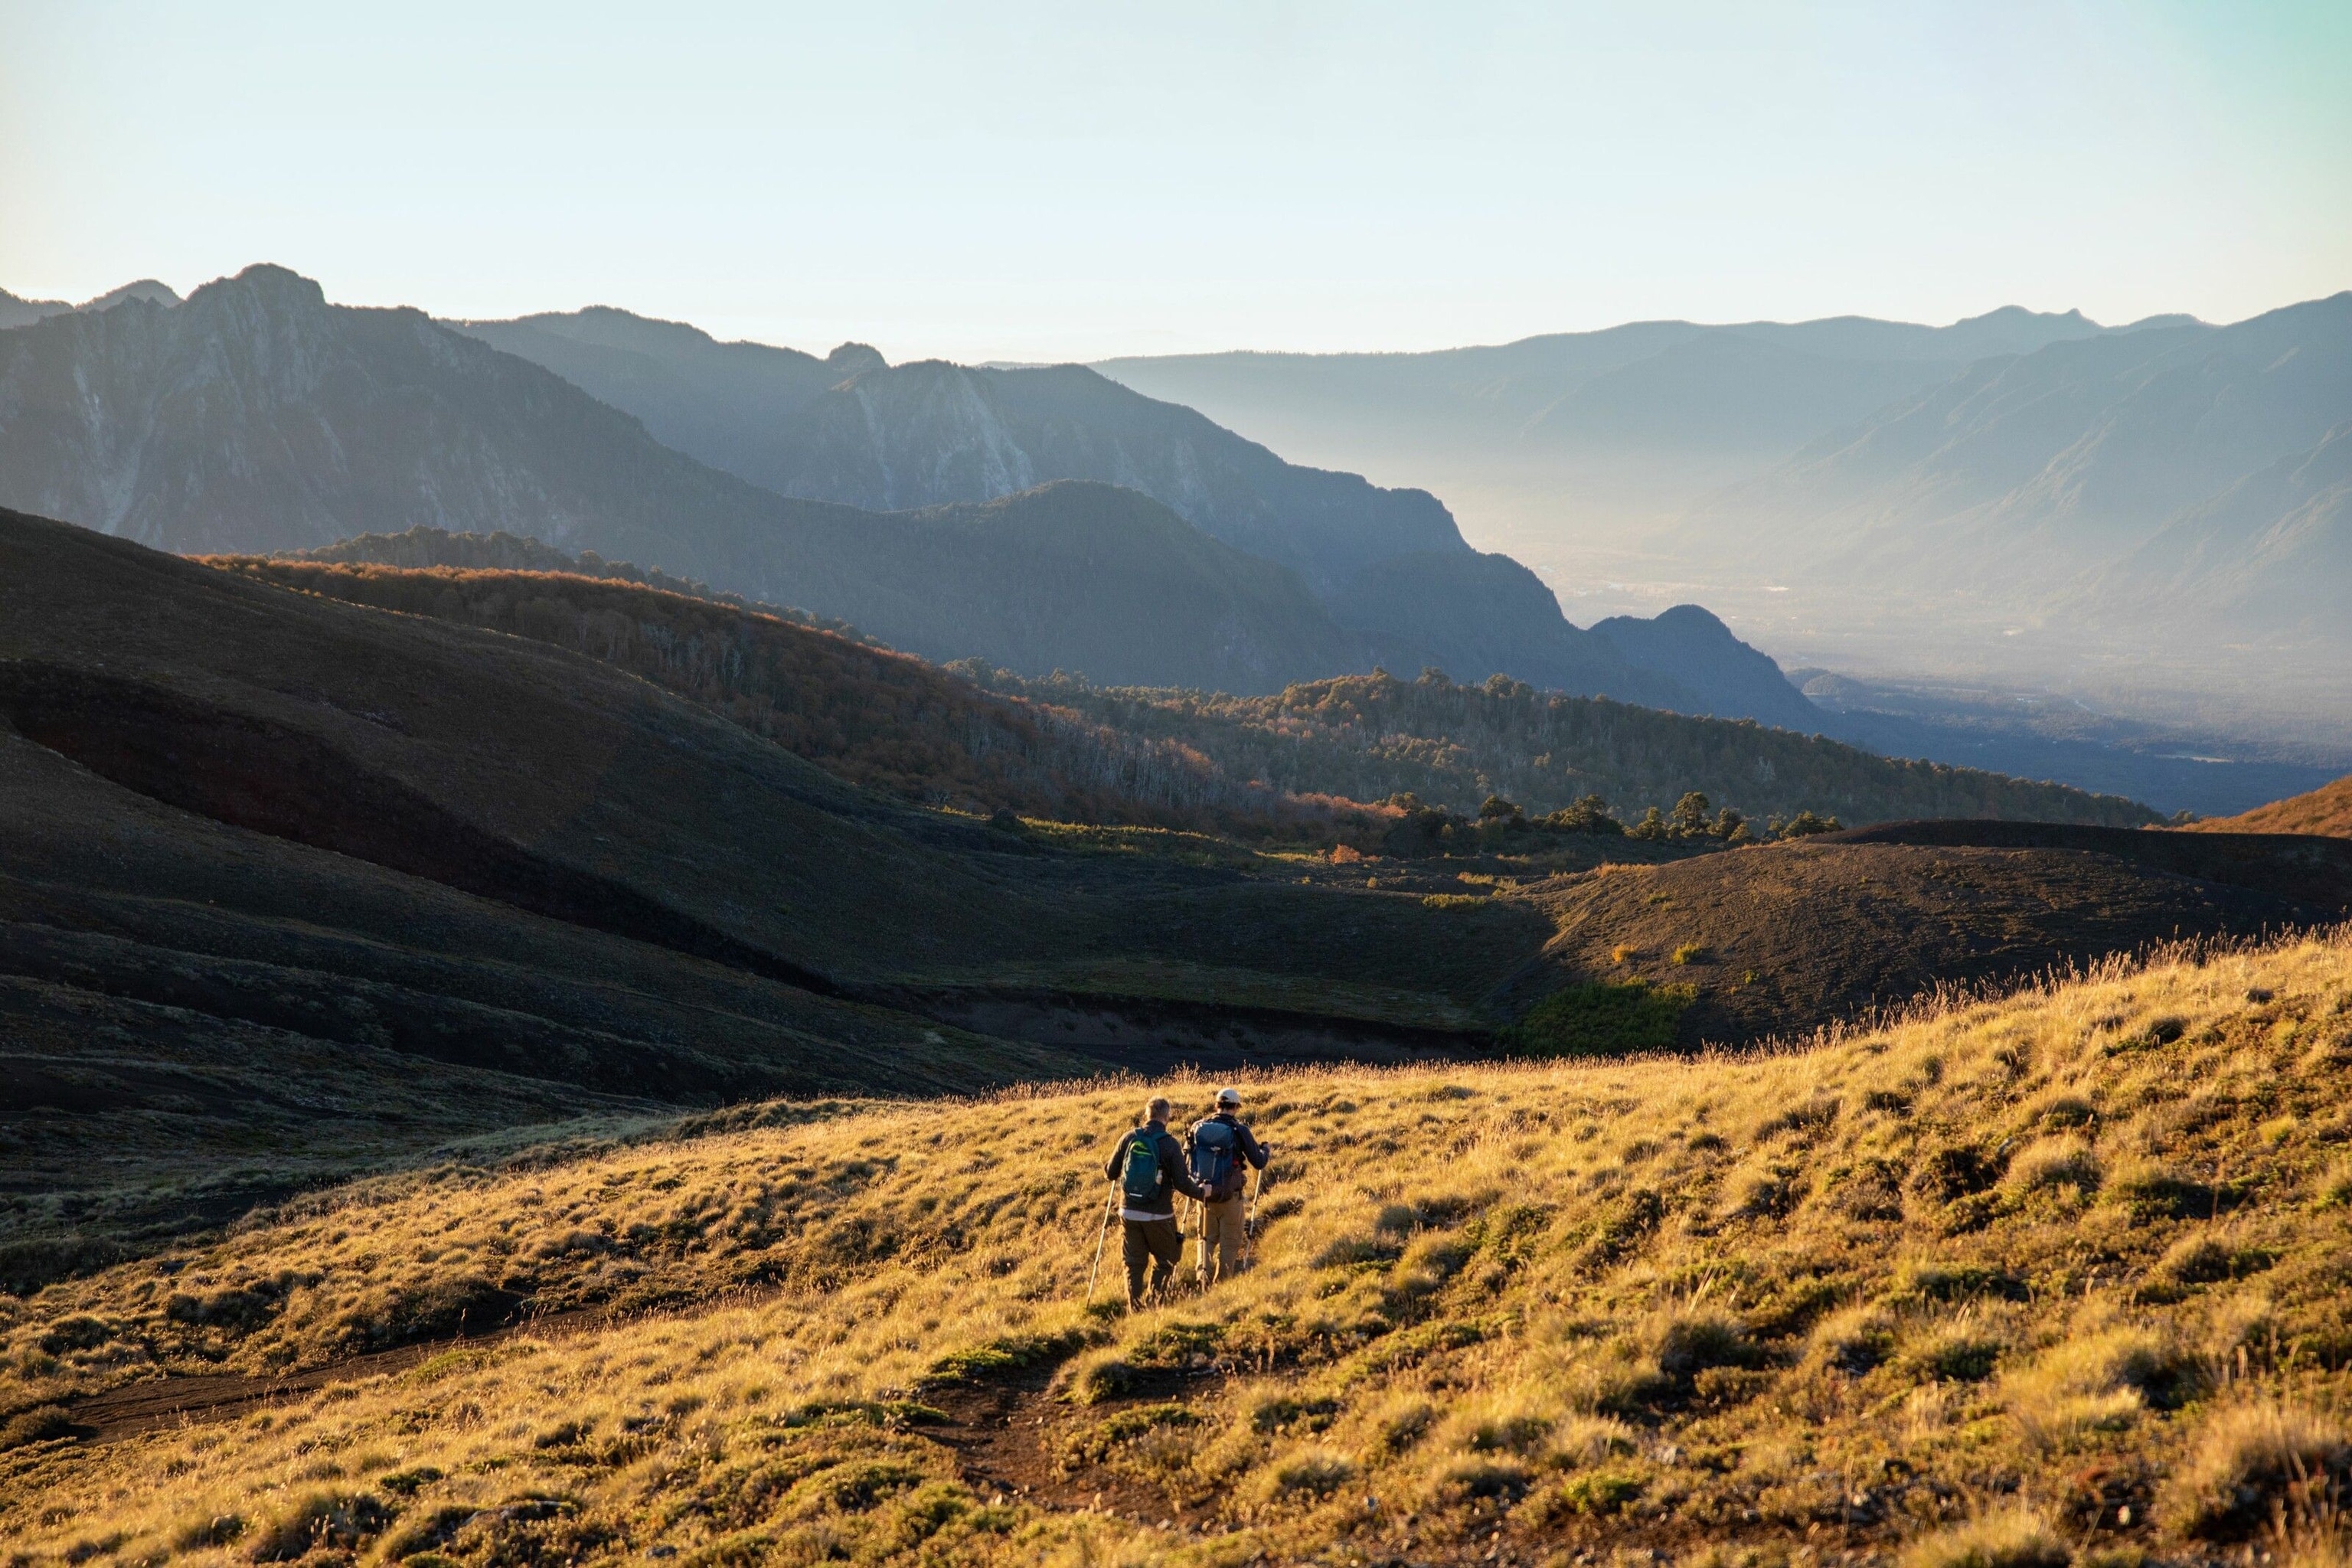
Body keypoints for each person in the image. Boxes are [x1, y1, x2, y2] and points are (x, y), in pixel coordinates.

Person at [1102, 1095, 1209, 1312]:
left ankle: (1135, 1309)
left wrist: (1108, 1166)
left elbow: (1111, 1173)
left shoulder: (1129, 1137)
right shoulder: (1170, 1145)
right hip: (1159, 1215)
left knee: (1133, 1264)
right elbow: (1182, 1183)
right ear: (1167, 1117)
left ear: (1147, 1115)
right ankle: (1154, 1304)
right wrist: (1202, 1193)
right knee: (1166, 1260)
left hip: (1128, 1212)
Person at [1187, 1086, 1271, 1287]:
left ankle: (1202, 1278)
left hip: (1204, 1194)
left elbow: (1188, 1159)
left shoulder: (1198, 1126)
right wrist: (1266, 1150)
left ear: (1217, 1105)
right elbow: (1259, 1162)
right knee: (1230, 1242)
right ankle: (1221, 1283)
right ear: (1235, 1107)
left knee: (1205, 1238)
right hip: (1230, 1197)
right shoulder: (1239, 1131)